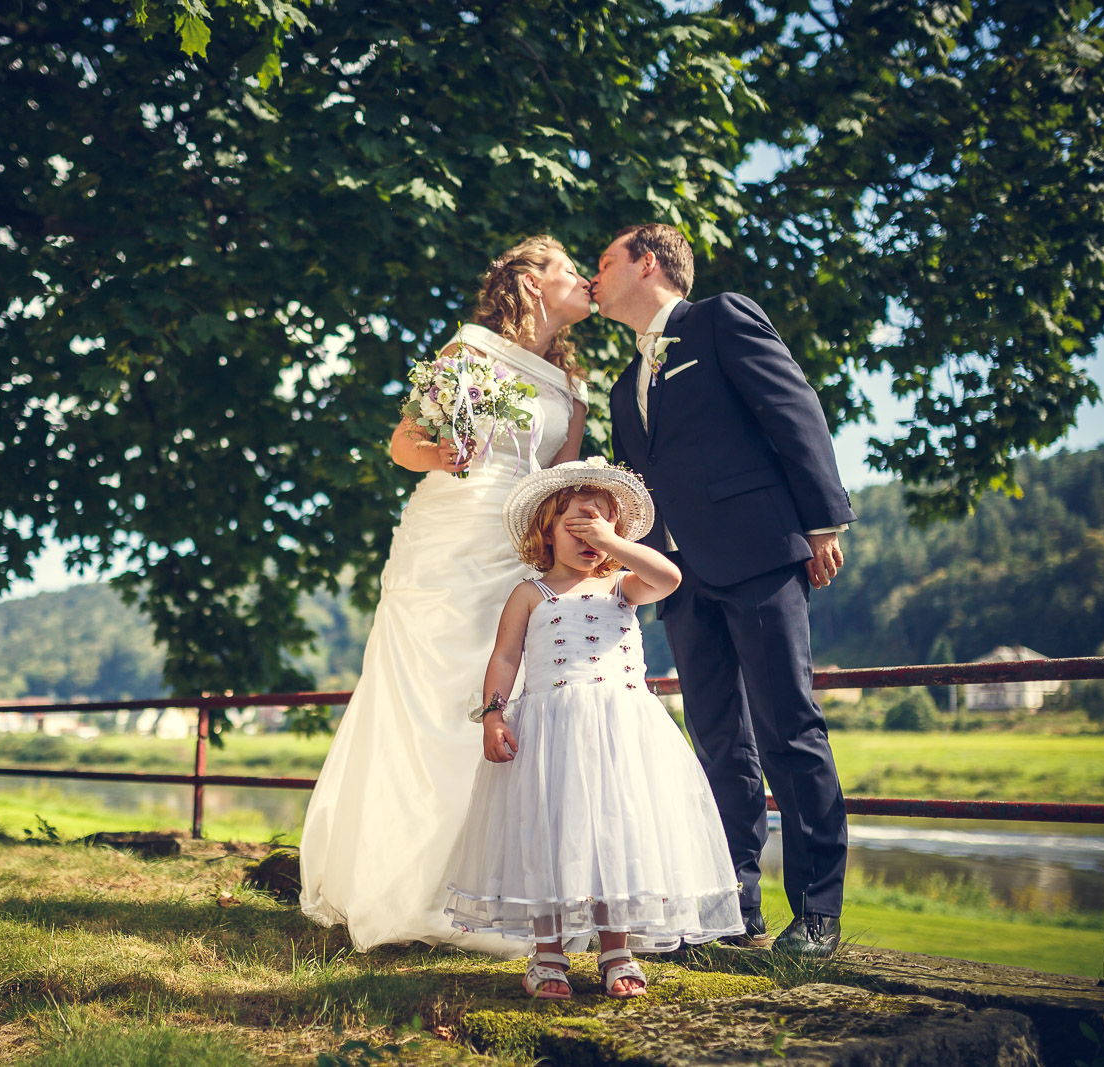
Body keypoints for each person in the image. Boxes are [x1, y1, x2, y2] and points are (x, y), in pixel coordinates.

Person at [300, 236, 593, 954]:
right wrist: (444, 454)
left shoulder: (575, 391)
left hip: (515, 544)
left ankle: (492, 887)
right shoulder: (467, 353)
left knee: (511, 698)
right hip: (448, 537)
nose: (585, 278)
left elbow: (560, 484)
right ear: (530, 284)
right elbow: (403, 444)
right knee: (431, 701)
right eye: (568, 269)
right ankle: (403, 886)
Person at [591, 223, 857, 957]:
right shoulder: (622, 386)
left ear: (648, 263)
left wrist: (823, 519)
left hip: (758, 553)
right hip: (679, 580)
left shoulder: (720, 318)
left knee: (787, 727)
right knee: (718, 741)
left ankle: (817, 912)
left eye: (604, 261)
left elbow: (792, 407)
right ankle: (736, 897)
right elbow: (637, 492)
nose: (593, 276)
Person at [442, 459, 743, 998]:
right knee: (547, 830)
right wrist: (492, 713)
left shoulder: (623, 587)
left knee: (616, 828)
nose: (591, 537)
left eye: (602, 527)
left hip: (618, 729)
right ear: (546, 532)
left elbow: (670, 577)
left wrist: (614, 542)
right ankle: (548, 953)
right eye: (578, 525)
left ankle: (615, 950)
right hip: (548, 730)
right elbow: (505, 657)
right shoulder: (531, 593)